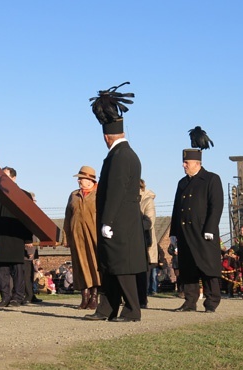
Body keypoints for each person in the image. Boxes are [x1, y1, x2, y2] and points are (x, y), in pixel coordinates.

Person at [84, 82, 145, 323]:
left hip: (119, 222)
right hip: (117, 221)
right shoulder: (120, 154)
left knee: (122, 268)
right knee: (110, 267)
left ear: (107, 137)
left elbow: (116, 192)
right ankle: (106, 309)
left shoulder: (121, 156)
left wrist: (107, 220)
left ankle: (132, 310)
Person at [170, 126, 223, 313]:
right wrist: (173, 233)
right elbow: (176, 209)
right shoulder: (182, 183)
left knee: (208, 268)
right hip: (185, 233)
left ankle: (211, 302)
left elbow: (216, 206)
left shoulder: (211, 179)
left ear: (197, 163)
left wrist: (210, 228)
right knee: (188, 269)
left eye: (186, 162)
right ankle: (190, 302)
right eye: (183, 162)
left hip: (203, 232)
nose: (184, 165)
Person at [0, 166, 33, 308]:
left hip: (17, 237)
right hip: (0, 237)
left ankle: (17, 297)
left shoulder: (24, 195)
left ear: (14, 178)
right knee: (2, 270)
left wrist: (28, 239)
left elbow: (29, 219)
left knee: (17, 270)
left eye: (6, 177)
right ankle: (5, 297)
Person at [63, 165, 100, 310]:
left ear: (90, 180)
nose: (79, 181)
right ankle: (84, 297)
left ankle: (95, 296)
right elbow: (67, 217)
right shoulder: (73, 195)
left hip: (93, 236)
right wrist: (66, 236)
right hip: (77, 236)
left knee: (94, 265)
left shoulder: (99, 194)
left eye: (81, 179)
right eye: (78, 179)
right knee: (79, 266)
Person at [139, 179, 157, 308]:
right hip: (130, 243)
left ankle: (142, 299)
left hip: (144, 243)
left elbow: (149, 222)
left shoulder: (147, 201)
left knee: (143, 274)